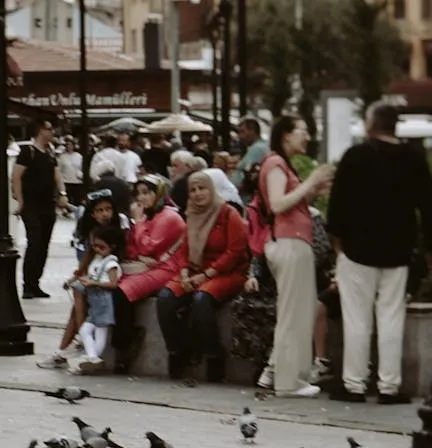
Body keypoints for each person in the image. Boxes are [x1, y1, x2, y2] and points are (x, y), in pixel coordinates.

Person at [327, 101, 432, 404]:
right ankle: (389, 387)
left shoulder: (356, 156)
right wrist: (424, 249)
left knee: (357, 318)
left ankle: (354, 384)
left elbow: (337, 208)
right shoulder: (413, 158)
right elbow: (427, 207)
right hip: (398, 251)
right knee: (391, 317)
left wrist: (339, 247)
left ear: (372, 125)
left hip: (358, 250)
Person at [257, 115, 335, 398]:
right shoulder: (276, 163)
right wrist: (310, 182)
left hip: (292, 241)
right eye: (302, 131)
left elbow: (293, 204)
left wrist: (311, 189)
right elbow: (278, 204)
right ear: (286, 135)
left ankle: (279, 372)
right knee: (294, 314)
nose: (307, 137)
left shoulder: (279, 164)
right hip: (290, 242)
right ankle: (291, 382)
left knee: (295, 311)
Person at [155, 171, 249, 382]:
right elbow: (185, 250)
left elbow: (234, 252)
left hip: (228, 272)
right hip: (195, 271)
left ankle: (213, 354)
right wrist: (185, 273)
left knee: (201, 300)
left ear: (212, 189)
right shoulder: (192, 214)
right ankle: (178, 351)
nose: (197, 194)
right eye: (193, 190)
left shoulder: (227, 214)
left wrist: (206, 274)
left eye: (202, 188)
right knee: (165, 299)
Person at [39, 189, 130, 369]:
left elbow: (126, 252)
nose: (104, 214)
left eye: (107, 209)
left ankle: (68, 347)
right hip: (100, 275)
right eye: (99, 210)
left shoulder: (121, 224)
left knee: (79, 300)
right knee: (78, 293)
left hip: (118, 272)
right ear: (92, 213)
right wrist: (76, 277)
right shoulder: (93, 232)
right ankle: (67, 348)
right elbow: (88, 256)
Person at [111, 174, 187, 374]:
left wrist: (137, 222)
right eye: (138, 194)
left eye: (146, 193)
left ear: (159, 193)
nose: (141, 198)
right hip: (149, 266)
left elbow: (147, 246)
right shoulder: (149, 216)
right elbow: (134, 249)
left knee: (122, 292)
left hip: (168, 269)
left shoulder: (169, 217)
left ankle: (124, 347)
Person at [14, 118, 68, 298]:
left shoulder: (50, 153)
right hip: (31, 205)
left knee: (44, 245)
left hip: (47, 205)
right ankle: (27, 284)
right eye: (49, 129)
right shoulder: (27, 152)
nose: (52, 133)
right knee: (34, 242)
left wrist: (62, 193)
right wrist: (20, 201)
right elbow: (16, 177)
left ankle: (35, 282)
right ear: (40, 131)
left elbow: (57, 175)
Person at [66, 225, 123, 375]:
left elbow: (113, 284)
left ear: (112, 247)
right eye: (95, 246)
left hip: (103, 301)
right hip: (95, 300)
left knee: (98, 331)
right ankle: (93, 358)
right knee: (87, 330)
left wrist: (94, 283)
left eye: (101, 247)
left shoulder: (111, 263)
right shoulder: (99, 261)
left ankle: (92, 357)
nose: (97, 250)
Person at [232, 118, 269, 198]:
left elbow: (249, 177)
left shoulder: (257, 149)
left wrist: (233, 191)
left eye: (242, 132)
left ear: (252, 131)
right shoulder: (259, 146)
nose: (240, 136)